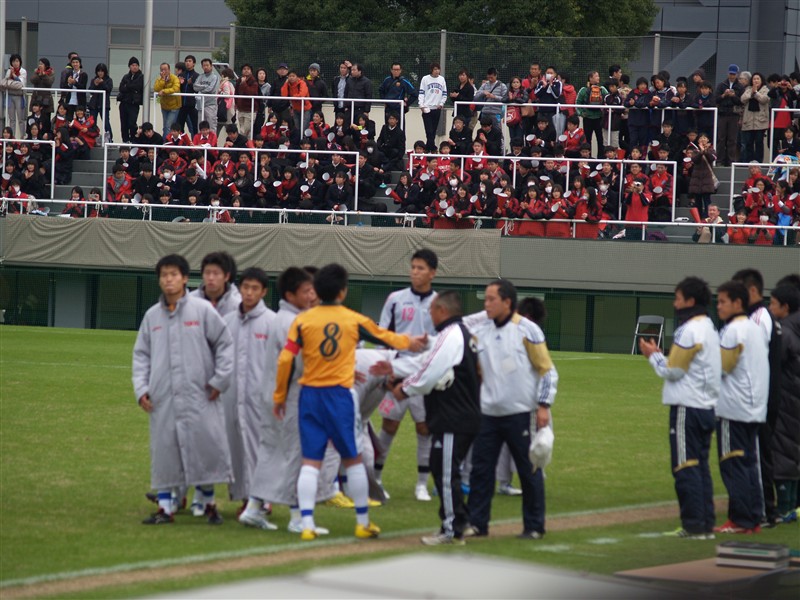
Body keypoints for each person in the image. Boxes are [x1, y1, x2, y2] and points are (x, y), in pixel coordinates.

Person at [272, 263, 426, 540]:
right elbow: (385, 336)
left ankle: (306, 524)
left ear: (317, 290)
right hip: (340, 396)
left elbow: (285, 359)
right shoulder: (353, 319)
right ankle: (362, 522)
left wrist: (280, 395)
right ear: (343, 292)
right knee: (353, 459)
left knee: (310, 461)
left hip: (310, 396)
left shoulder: (302, 321)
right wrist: (411, 342)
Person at [133, 254, 234, 525]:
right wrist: (141, 388)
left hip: (200, 394)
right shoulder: (152, 316)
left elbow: (225, 344)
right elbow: (141, 355)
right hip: (163, 397)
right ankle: (165, 508)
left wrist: (220, 380)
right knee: (165, 451)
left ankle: (208, 504)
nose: (169, 280)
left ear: (185, 278)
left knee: (205, 448)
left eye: (174, 274)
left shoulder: (202, 310)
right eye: (164, 275)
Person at [375, 291, 481, 545]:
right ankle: (461, 521)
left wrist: (405, 388)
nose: (429, 314)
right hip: (459, 414)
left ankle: (451, 529)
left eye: (431, 310)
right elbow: (425, 362)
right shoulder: (457, 334)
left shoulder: (451, 335)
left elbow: (430, 370)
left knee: (445, 472)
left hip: (454, 416)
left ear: (442, 311)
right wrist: (394, 368)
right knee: (442, 467)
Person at [241, 267, 336, 533]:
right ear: (290, 295)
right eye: (306, 291)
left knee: (271, 453)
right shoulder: (292, 322)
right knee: (297, 455)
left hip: (275, 396)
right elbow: (301, 363)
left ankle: (253, 508)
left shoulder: (284, 318)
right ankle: (297, 517)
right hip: (289, 398)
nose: (312, 295)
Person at [465, 279, 558, 540]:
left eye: (491, 299)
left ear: (507, 302)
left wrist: (543, 405)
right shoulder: (480, 331)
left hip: (521, 413)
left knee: (529, 470)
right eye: (485, 299)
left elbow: (547, 370)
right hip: (488, 414)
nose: (486, 305)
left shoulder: (527, 330)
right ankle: (477, 523)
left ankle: (534, 526)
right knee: (481, 471)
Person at [640, 277, 720, 539]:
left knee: (686, 466)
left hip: (687, 407)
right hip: (707, 406)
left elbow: (673, 370)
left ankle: (693, 524)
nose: (675, 304)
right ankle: (705, 524)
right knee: (701, 467)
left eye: (678, 299)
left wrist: (653, 355)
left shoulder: (689, 330)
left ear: (690, 301)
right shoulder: (710, 327)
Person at [374, 250, 439, 502]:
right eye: (413, 267)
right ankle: (376, 480)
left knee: (424, 428)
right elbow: (382, 336)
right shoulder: (395, 299)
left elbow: (443, 341)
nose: (415, 272)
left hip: (425, 375)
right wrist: (388, 370)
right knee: (389, 425)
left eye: (421, 268)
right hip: (396, 373)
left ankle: (422, 485)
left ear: (432, 273)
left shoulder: (439, 303)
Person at [713, 280, 769, 534]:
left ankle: (740, 519)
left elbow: (721, 368)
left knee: (732, 464)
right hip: (754, 406)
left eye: (723, 301)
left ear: (738, 303)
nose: (719, 306)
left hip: (733, 408)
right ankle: (753, 518)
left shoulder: (733, 330)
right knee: (748, 464)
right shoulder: (753, 328)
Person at [221, 267, 276, 513]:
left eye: (255, 288)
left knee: (260, 448)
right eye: (245, 287)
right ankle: (246, 499)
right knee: (236, 448)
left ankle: (263, 499)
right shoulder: (227, 321)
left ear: (264, 292)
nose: (249, 293)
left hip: (262, 397)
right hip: (232, 396)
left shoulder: (273, 322)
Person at [732, 268, 781, 528]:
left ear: (752, 291)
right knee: (756, 454)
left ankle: (765, 511)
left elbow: (755, 360)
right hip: (761, 396)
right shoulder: (757, 316)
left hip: (761, 398)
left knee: (759, 455)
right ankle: (763, 509)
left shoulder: (760, 318)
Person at [767, 282, 800, 524]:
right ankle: (792, 505)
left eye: (773, 304)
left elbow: (774, 363)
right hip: (794, 398)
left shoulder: (784, 332)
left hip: (785, 399)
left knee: (782, 450)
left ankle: (785, 506)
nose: (770, 308)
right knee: (793, 450)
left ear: (785, 307)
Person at [190, 251, 242, 318]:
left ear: (226, 276)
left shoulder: (237, 306)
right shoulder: (190, 301)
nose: (211, 278)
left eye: (216, 273)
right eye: (207, 273)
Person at [714, 64, 745, 166]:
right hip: (722, 113)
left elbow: (741, 101)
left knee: (732, 139)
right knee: (721, 138)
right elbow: (716, 99)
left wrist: (733, 96)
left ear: (737, 74)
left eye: (734, 74)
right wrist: (724, 95)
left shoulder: (740, 87)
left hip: (734, 114)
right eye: (730, 74)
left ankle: (730, 160)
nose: (732, 76)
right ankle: (720, 160)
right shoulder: (721, 85)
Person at [576, 71, 608, 158]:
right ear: (590, 78)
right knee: (587, 139)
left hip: (599, 118)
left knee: (600, 139)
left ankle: (601, 159)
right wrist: (581, 113)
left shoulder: (602, 89)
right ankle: (588, 158)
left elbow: (608, 99)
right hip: (587, 118)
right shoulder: (583, 90)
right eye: (596, 76)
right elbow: (577, 103)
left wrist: (604, 112)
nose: (598, 78)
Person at [739, 73, 770, 164]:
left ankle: (758, 162)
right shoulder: (748, 89)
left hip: (760, 121)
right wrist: (751, 93)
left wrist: (756, 93)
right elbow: (742, 99)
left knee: (759, 142)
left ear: (761, 80)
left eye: (758, 79)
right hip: (748, 121)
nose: (756, 81)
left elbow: (764, 99)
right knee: (748, 143)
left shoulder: (765, 90)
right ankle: (749, 162)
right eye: (754, 79)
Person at [418, 63, 447, 152]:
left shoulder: (442, 79)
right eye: (435, 69)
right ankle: (433, 148)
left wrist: (441, 103)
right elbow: (421, 93)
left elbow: (444, 93)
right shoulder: (425, 79)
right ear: (431, 70)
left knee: (433, 131)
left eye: (438, 69)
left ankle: (428, 149)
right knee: (429, 131)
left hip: (437, 109)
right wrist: (421, 105)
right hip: (427, 109)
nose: (437, 71)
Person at [117, 57, 144, 144]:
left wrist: (128, 86)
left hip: (134, 104)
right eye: (133, 65)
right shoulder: (126, 76)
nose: (135, 67)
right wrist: (131, 86)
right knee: (123, 123)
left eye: (136, 65)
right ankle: (125, 141)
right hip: (124, 103)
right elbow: (121, 88)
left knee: (132, 123)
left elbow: (138, 86)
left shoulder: (141, 76)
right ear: (129, 66)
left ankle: (133, 140)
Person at [154, 63, 181, 137]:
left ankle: (166, 142)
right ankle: (166, 141)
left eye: (165, 69)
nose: (163, 71)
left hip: (174, 106)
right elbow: (156, 88)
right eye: (162, 70)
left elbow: (176, 88)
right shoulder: (159, 79)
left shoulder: (174, 78)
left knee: (168, 126)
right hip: (164, 106)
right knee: (165, 126)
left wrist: (164, 91)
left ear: (169, 70)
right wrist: (162, 80)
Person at [4, 54, 28, 138]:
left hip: (19, 96)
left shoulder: (23, 71)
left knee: (21, 118)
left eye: (17, 61)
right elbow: (6, 82)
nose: (15, 63)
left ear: (20, 62)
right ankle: (12, 137)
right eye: (13, 61)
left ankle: (22, 137)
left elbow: (21, 83)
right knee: (12, 119)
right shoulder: (9, 71)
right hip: (10, 96)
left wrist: (14, 75)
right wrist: (15, 82)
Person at [88, 63, 113, 143]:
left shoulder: (109, 80)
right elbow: (90, 91)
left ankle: (109, 139)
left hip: (104, 104)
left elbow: (108, 89)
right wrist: (95, 84)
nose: (100, 73)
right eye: (98, 71)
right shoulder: (94, 80)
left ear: (105, 72)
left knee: (106, 122)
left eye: (102, 71)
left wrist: (102, 83)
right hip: (94, 105)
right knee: (92, 123)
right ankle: (92, 138)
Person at [195, 58, 221, 134]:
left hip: (210, 105)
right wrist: (205, 86)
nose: (205, 67)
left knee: (211, 125)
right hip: (200, 105)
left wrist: (201, 89)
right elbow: (195, 87)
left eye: (207, 65)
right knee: (200, 126)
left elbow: (211, 89)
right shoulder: (200, 76)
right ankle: (201, 141)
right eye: (204, 65)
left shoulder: (215, 77)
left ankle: (212, 141)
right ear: (202, 67)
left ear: (211, 66)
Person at [235, 63, 259, 139]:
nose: (246, 70)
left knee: (245, 130)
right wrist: (236, 104)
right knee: (243, 129)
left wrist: (244, 83)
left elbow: (251, 93)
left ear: (251, 71)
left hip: (250, 111)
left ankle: (242, 143)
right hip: (240, 110)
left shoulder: (254, 82)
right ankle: (246, 144)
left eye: (248, 69)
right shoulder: (238, 81)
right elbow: (236, 93)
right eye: (244, 69)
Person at [60, 55, 88, 120]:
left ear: (80, 64)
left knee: (80, 119)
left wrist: (74, 82)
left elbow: (83, 87)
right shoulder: (69, 73)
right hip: (70, 100)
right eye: (73, 62)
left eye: (76, 62)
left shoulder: (84, 74)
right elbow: (64, 86)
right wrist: (69, 83)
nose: (75, 64)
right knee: (69, 118)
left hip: (80, 100)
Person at [177, 55, 199, 137]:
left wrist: (190, 84)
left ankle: (195, 143)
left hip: (192, 105)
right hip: (182, 105)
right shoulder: (181, 75)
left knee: (194, 126)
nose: (188, 63)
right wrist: (180, 83)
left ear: (194, 63)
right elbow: (178, 89)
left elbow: (197, 90)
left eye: (190, 61)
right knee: (179, 126)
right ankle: (182, 142)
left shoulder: (197, 75)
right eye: (186, 61)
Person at [29, 58, 55, 123]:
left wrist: (44, 75)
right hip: (36, 97)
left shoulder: (51, 73)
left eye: (41, 64)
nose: (39, 65)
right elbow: (32, 80)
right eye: (39, 64)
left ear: (46, 65)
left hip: (46, 99)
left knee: (46, 119)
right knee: (35, 118)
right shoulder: (36, 72)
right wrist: (38, 75)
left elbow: (49, 83)